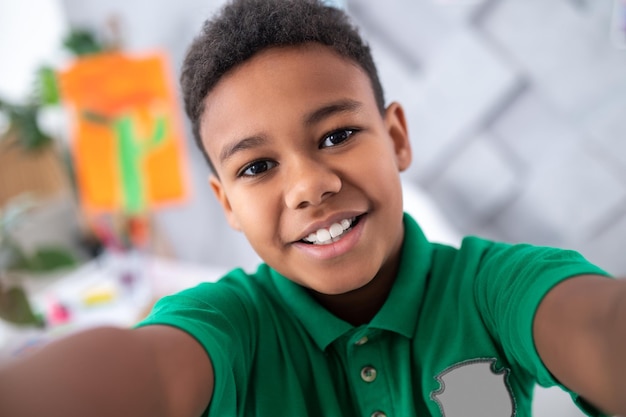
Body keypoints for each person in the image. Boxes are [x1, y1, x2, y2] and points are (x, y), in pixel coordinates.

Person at [1, 0, 625, 416]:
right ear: (227, 204)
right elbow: (151, 375)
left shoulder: (493, 288)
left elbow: (599, 327)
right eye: (256, 167)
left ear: (397, 138)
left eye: (336, 136)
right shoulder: (230, 329)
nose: (309, 186)